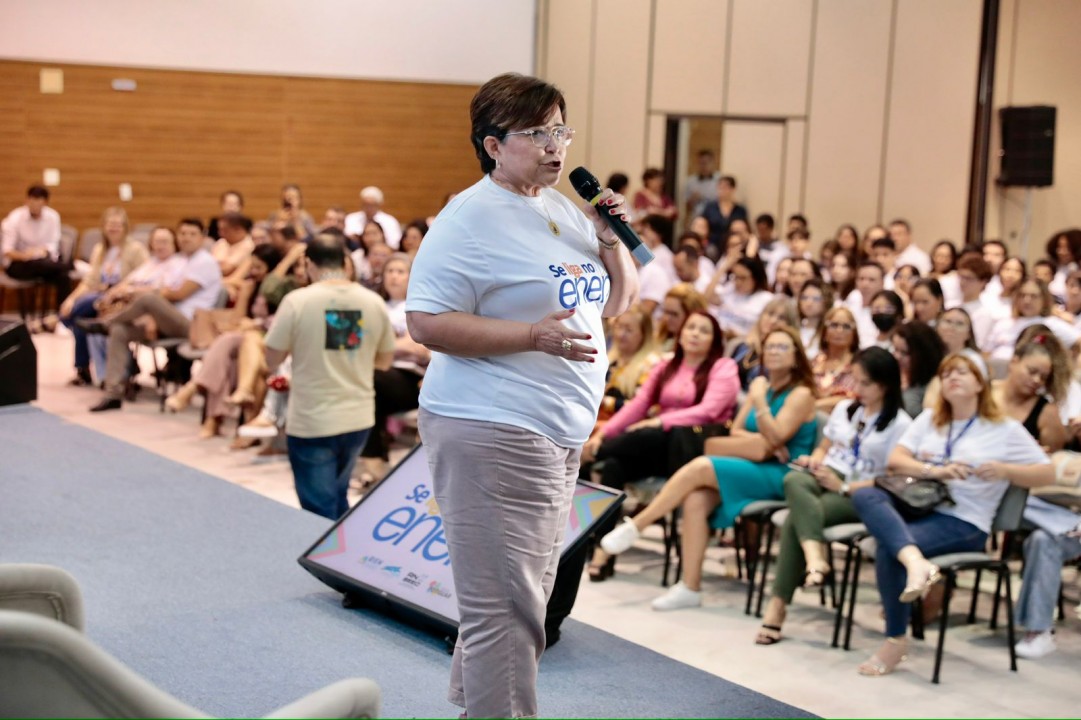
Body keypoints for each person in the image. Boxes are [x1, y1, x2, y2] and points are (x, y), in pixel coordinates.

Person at [404, 73, 637, 720]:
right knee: (505, 609)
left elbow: (616, 304)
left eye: (559, 129)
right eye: (536, 133)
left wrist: (612, 244)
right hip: (492, 427)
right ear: (492, 143)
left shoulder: (560, 208)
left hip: (555, 430)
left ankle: (477, 705)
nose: (554, 145)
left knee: (523, 592)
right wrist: (529, 336)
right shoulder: (468, 217)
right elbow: (425, 321)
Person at [852, 350, 1053, 676]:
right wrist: (935, 471)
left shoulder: (1004, 428)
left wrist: (1004, 469)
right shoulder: (931, 419)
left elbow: (1047, 474)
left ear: (980, 383)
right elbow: (896, 460)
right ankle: (916, 563)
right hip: (922, 505)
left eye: (962, 372)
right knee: (866, 494)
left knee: (890, 549)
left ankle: (895, 640)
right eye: (946, 373)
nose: (952, 378)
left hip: (967, 521)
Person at [600, 324, 818, 611]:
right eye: (770, 347)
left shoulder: (799, 394)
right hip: (752, 465)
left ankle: (638, 524)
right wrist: (762, 436)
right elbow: (737, 432)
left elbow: (777, 437)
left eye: (782, 347)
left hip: (785, 474)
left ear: (796, 356)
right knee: (696, 499)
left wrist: (762, 404)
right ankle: (690, 586)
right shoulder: (760, 387)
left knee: (701, 466)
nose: (774, 352)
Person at [756, 348, 912, 644]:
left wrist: (843, 487)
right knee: (794, 478)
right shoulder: (845, 409)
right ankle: (815, 556)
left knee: (794, 520)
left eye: (866, 383)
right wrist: (815, 461)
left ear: (886, 384)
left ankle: (778, 608)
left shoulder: (901, 423)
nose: (857, 389)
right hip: (825, 475)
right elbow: (824, 447)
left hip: (862, 492)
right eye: (856, 381)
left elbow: (892, 479)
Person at [580, 310, 739, 580]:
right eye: (691, 328)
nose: (695, 334)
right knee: (615, 468)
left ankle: (581, 456)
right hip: (657, 449)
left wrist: (660, 421)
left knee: (651, 433)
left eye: (703, 330)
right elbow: (639, 406)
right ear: (681, 333)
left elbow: (709, 411)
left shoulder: (723, 368)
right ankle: (601, 551)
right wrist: (602, 435)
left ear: (714, 340)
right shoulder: (667, 366)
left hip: (692, 452)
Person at [263, 231, 394, 519]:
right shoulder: (372, 301)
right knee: (338, 496)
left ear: (309, 264)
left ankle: (328, 562)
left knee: (318, 511)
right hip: (358, 416)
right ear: (346, 262)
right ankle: (343, 558)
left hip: (314, 418)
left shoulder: (298, 301)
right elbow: (384, 361)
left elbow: (272, 357)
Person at [87, 219, 223, 412]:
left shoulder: (205, 262)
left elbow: (177, 294)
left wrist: (146, 297)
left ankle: (105, 322)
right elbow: (163, 292)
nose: (186, 238)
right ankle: (113, 393)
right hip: (168, 319)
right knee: (120, 330)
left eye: (192, 234)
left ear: (202, 238)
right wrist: (150, 315)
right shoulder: (181, 260)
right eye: (183, 233)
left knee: (148, 299)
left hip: (191, 325)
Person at [165, 244, 284, 440]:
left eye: (258, 268)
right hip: (243, 342)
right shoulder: (251, 286)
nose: (253, 272)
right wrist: (244, 296)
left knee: (227, 342)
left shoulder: (278, 289)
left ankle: (197, 393)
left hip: (266, 342)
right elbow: (237, 320)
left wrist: (255, 323)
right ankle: (212, 417)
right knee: (227, 361)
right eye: (251, 266)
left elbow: (279, 322)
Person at [357, 253, 431, 480]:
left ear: (411, 277)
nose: (394, 276)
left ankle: (374, 461)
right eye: (390, 271)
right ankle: (373, 461)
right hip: (377, 373)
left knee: (370, 380)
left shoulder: (419, 306)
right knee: (364, 387)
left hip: (410, 377)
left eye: (400, 271)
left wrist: (381, 346)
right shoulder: (374, 305)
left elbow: (418, 347)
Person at [59, 207, 148, 386]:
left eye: (118, 225)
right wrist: (71, 299)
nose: (113, 229)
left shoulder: (135, 249)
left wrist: (117, 290)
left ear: (125, 227)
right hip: (100, 297)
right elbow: (89, 280)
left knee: (80, 318)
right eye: (110, 224)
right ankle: (89, 369)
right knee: (80, 319)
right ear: (104, 227)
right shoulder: (100, 249)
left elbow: (145, 276)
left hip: (121, 299)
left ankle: (83, 368)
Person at [1, 184, 69, 330]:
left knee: (63, 276)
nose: (35, 205)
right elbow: (7, 250)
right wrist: (26, 255)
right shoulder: (15, 218)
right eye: (32, 201)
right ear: (27, 200)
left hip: (43, 263)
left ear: (45, 203)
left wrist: (41, 252)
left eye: (39, 202)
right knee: (42, 264)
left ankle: (62, 319)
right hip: (18, 264)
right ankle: (71, 265)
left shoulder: (52, 217)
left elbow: (52, 245)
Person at [992, 333, 1069, 452]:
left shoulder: (1048, 413)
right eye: (1032, 371)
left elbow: (1054, 462)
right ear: (1014, 362)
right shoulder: (984, 391)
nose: (1037, 380)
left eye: (1043, 377)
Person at [597, 304, 659, 424]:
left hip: (625, 428)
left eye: (629, 330)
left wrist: (603, 402)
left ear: (644, 334)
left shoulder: (651, 364)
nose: (621, 334)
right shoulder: (609, 358)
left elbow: (643, 407)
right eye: (619, 327)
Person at [730, 296, 799, 390]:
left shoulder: (788, 357)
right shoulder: (742, 346)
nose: (773, 321)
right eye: (770, 314)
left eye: (781, 318)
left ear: (790, 325)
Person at [708, 256, 772, 340]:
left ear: (756, 278)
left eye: (743, 278)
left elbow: (764, 335)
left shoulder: (766, 299)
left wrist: (738, 336)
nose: (738, 282)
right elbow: (707, 297)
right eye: (735, 277)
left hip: (743, 344)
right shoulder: (730, 289)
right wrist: (724, 268)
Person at [892, 320, 946, 417]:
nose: (897, 356)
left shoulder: (935, 383)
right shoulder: (890, 374)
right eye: (895, 349)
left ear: (922, 355)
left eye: (905, 353)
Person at [812, 306, 859, 412]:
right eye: (834, 325)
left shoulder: (859, 364)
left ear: (854, 334)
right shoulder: (813, 363)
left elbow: (853, 399)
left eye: (846, 326)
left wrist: (815, 405)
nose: (839, 330)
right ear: (824, 332)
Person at [698, 175, 748, 258]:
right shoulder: (710, 207)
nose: (722, 190)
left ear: (733, 189)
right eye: (720, 187)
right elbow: (703, 224)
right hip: (712, 244)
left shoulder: (740, 210)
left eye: (726, 187)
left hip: (732, 244)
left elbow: (744, 228)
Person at [656, 283, 707, 353]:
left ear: (691, 316)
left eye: (674, 314)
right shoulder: (659, 336)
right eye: (665, 312)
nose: (667, 318)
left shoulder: (696, 351)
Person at [797, 278, 832, 360]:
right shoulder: (795, 327)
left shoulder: (829, 331)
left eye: (816, 298)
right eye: (804, 298)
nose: (809, 303)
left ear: (827, 301)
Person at [684, 149, 720, 219]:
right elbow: (687, 207)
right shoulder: (690, 181)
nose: (704, 166)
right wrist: (693, 199)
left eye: (707, 162)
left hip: (716, 217)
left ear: (713, 163)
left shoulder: (720, 180)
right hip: (697, 217)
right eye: (701, 163)